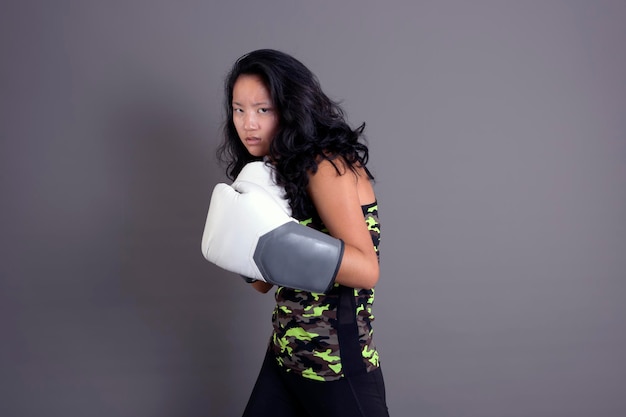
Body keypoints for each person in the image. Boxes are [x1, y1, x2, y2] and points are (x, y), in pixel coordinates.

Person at [209, 49, 389, 417]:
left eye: (263, 109)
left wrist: (276, 240)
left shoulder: (326, 165)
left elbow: (366, 270)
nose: (249, 124)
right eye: (239, 109)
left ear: (290, 108)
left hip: (337, 370)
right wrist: (239, 239)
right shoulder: (274, 169)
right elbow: (265, 284)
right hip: (285, 358)